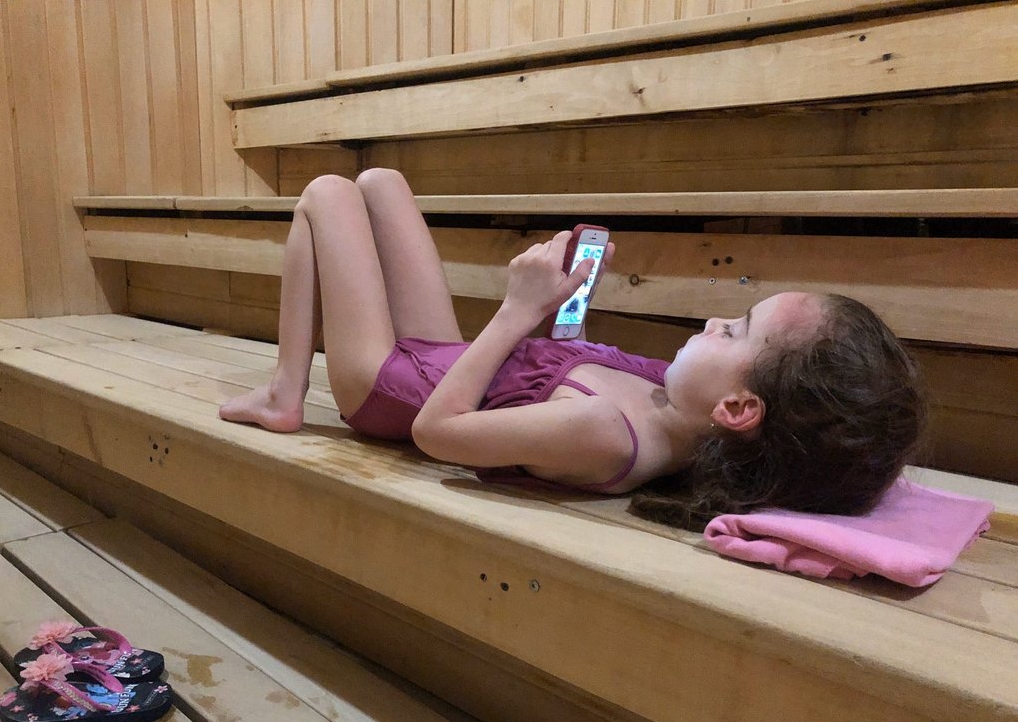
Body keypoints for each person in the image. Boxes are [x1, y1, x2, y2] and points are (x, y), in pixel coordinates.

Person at [219, 169, 926, 521]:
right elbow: (562, 368)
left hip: (386, 387)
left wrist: (515, 310)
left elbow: (438, 433)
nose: (716, 322)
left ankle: (285, 392)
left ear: (739, 409)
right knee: (381, 182)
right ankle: (284, 386)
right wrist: (568, 307)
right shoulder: (679, 402)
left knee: (326, 193)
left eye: (736, 330)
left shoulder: (603, 434)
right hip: (445, 360)